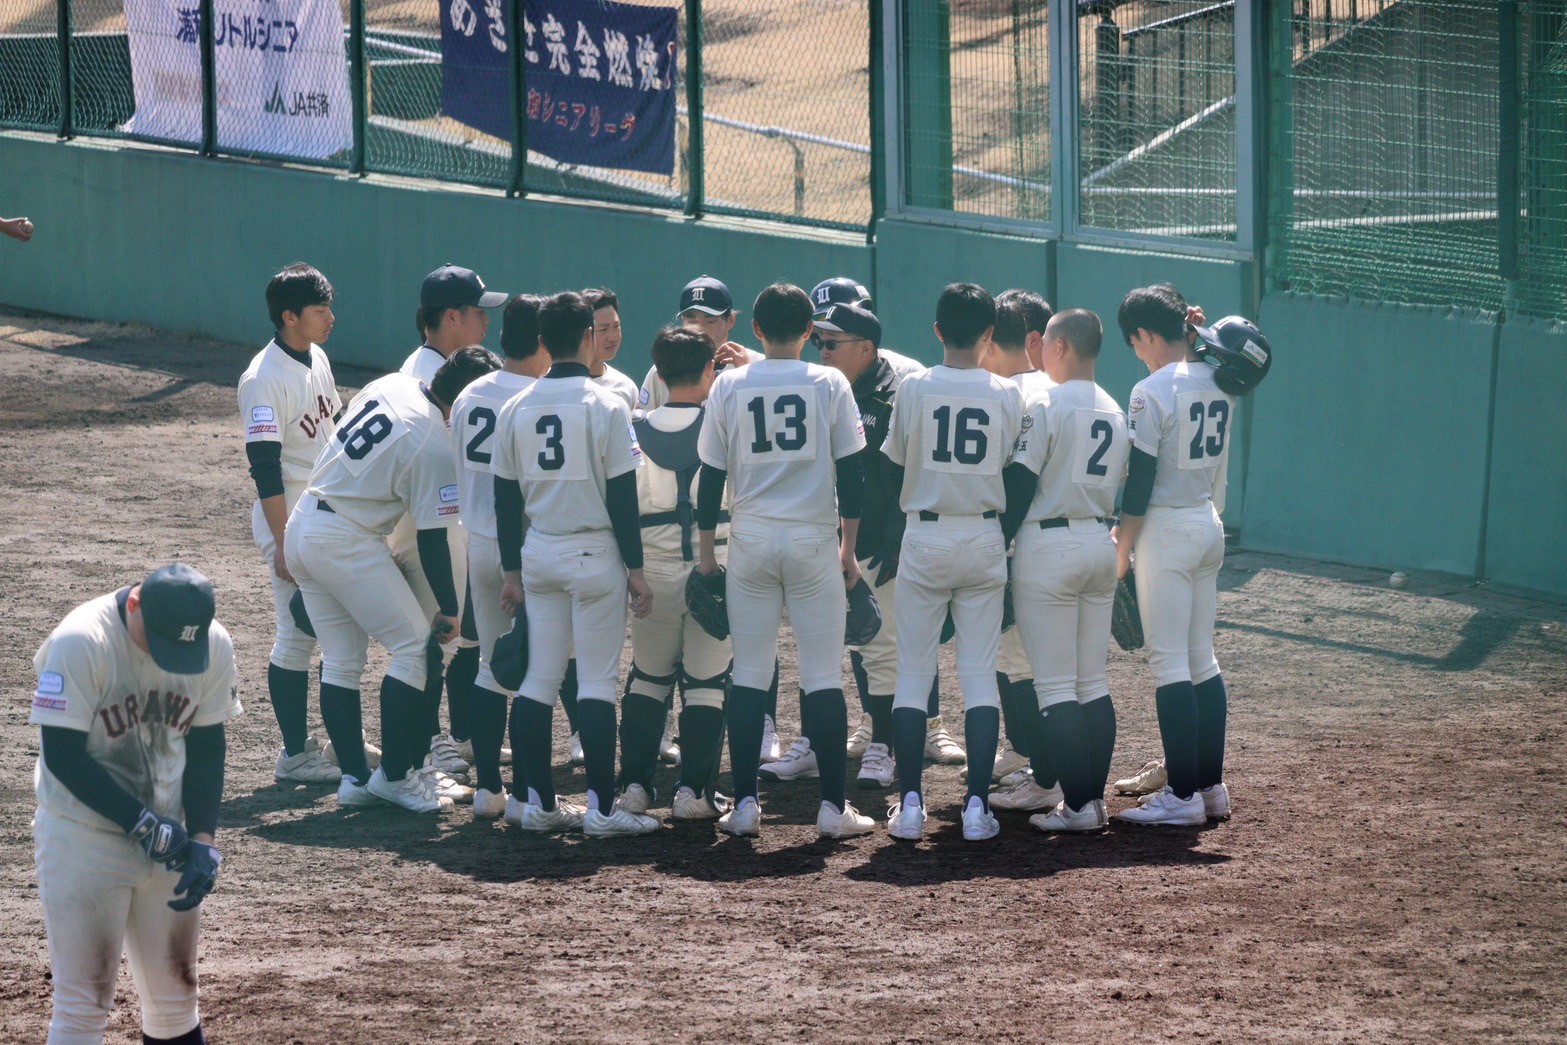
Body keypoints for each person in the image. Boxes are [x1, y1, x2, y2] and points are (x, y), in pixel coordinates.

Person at [30, 563, 240, 1044]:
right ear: (134, 604)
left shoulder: (213, 644)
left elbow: (207, 746)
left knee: (176, 1001)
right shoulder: (81, 641)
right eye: (161, 642)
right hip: (84, 838)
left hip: (171, 841)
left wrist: (203, 838)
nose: (170, 660)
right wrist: (140, 822)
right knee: (83, 1007)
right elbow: (62, 755)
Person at [695, 282, 875, 840]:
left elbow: (711, 478)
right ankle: (833, 808)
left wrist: (706, 555)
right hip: (812, 539)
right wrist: (848, 550)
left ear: (755, 329)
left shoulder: (729, 383)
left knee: (749, 674)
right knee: (823, 676)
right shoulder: (829, 382)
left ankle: (746, 805)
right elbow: (854, 474)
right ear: (810, 331)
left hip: (749, 538)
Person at [285, 348, 499, 812]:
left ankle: (354, 779)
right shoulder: (433, 442)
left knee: (341, 661)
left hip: (304, 521)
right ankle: (397, 778)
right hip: (345, 537)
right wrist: (450, 609)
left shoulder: (393, 383)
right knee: (417, 649)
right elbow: (432, 539)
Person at [492, 291, 658, 837]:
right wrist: (636, 569)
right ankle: (602, 812)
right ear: (589, 336)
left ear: (542, 342)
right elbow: (623, 498)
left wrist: (511, 572)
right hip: (595, 555)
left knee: (539, 681)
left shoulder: (516, 407)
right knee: (597, 684)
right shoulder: (607, 405)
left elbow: (505, 500)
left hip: (539, 553)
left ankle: (539, 806)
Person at [881, 283, 1029, 843]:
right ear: (990, 334)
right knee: (980, 677)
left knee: (913, 676)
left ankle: (910, 807)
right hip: (985, 535)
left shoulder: (914, 386)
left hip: (925, 533)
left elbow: (892, 465)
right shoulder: (1007, 392)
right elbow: (1016, 469)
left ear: (938, 330)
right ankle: (975, 808)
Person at [1111, 285, 1234, 826]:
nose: (1137, 353)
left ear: (1143, 334)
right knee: (1202, 658)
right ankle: (1210, 788)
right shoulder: (1222, 378)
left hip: (1166, 530)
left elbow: (1139, 484)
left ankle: (1182, 797)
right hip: (1207, 521)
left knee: (1170, 664)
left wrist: (1123, 548)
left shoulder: (1149, 389)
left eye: (1135, 342)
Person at [1005, 308, 1130, 833]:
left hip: (1048, 545)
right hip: (1100, 541)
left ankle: (1079, 806)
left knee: (1056, 688)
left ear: (1059, 347)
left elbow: (1018, 484)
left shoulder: (1047, 402)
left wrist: (996, 543)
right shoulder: (1116, 408)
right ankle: (1091, 803)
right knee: (1092, 683)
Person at [394, 264, 509, 784]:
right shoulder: (423, 374)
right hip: (422, 521)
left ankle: (459, 733)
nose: (487, 320)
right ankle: (430, 741)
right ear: (450, 317)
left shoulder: (449, 366)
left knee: (466, 636)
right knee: (438, 635)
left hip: (448, 514)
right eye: (478, 311)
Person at [615, 326, 734, 820]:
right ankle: (693, 794)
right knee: (706, 683)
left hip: (652, 572)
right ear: (710, 369)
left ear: (659, 375)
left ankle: (635, 788)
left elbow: (619, 507)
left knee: (648, 679)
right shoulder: (724, 424)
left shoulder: (633, 428)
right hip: (715, 567)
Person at [237, 264, 345, 786]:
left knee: (336, 628)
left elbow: (336, 428)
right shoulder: (262, 377)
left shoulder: (317, 356)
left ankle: (335, 740)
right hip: (287, 515)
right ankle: (295, 754)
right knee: (298, 631)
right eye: (320, 310)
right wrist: (282, 543)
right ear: (289, 317)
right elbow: (264, 467)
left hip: (323, 509)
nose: (330, 318)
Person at [447, 295, 550, 818]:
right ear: (543, 341)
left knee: (490, 665)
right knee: (538, 671)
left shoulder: (469, 393)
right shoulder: (539, 398)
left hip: (478, 542)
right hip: (526, 548)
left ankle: (489, 790)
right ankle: (527, 794)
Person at [980, 288, 1065, 810]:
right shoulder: (1061, 387)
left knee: (1020, 664)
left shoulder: (1007, 394)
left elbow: (1009, 481)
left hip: (1023, 540)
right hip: (1074, 535)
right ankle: (1045, 769)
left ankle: (1045, 778)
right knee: (1060, 670)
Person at [638, 275, 763, 412]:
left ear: (730, 320)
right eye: (692, 320)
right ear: (683, 319)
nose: (700, 329)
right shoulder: (665, 367)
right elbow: (644, 418)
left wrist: (749, 377)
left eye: (710, 321)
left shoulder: (755, 364)